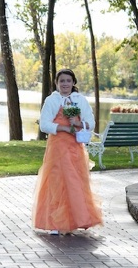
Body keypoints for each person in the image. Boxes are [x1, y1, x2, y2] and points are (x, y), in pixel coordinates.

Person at [32, 69, 103, 235]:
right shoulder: (52, 100)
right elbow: (44, 125)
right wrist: (64, 127)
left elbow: (91, 123)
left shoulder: (80, 100)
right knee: (57, 181)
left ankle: (75, 220)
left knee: (75, 182)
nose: (65, 84)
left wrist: (77, 123)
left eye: (68, 81)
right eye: (62, 81)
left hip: (75, 146)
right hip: (57, 147)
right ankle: (55, 223)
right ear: (57, 83)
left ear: (73, 83)